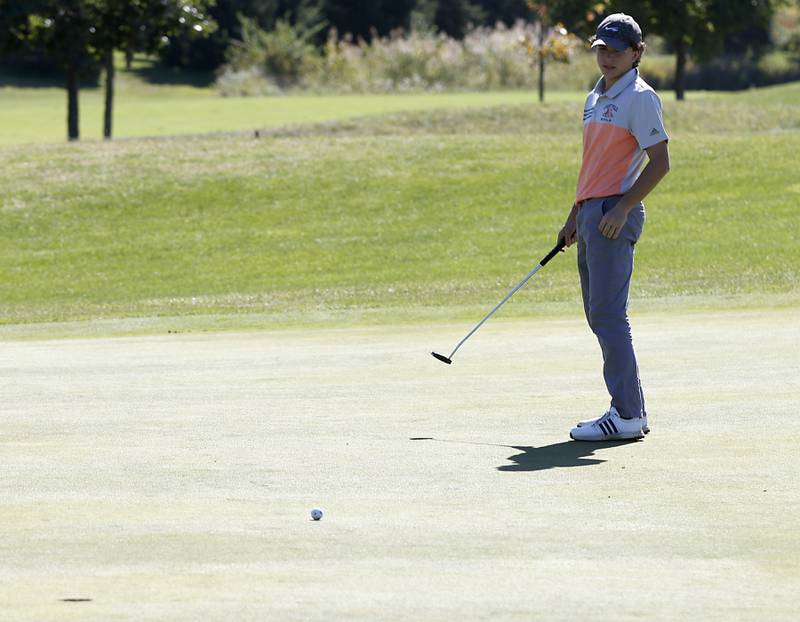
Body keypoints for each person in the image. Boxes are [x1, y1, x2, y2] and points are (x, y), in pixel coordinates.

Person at [558, 13, 670, 441]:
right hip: (591, 213)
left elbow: (661, 163)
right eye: (602, 49)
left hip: (612, 217)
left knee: (608, 315)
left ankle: (625, 414)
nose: (607, 57)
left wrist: (623, 208)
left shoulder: (640, 98)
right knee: (598, 314)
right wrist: (574, 214)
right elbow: (593, 165)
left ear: (637, 53)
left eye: (617, 50)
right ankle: (632, 413)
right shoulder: (594, 97)